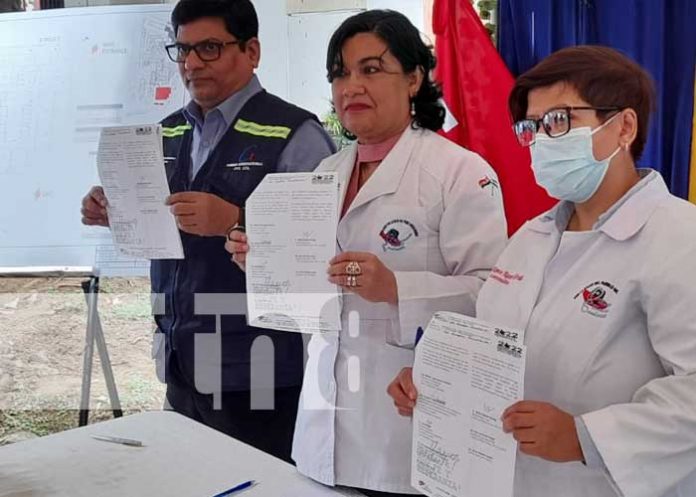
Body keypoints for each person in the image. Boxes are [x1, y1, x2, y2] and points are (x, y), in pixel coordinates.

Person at [388, 46, 696, 496]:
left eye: (560, 120)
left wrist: (586, 437)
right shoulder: (531, 238)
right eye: (532, 127)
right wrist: (436, 376)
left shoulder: (677, 237)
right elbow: (493, 341)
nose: (543, 141)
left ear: (623, 127)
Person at [226, 10, 507, 496]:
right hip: (322, 424)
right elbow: (314, 296)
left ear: (415, 78)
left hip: (404, 429)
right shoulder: (324, 174)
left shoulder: (459, 172)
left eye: (371, 69)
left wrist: (397, 288)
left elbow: (494, 296)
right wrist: (266, 264)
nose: (351, 86)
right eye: (340, 73)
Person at [80, 0, 335, 463]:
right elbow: (155, 229)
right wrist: (113, 208)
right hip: (181, 361)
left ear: (252, 51)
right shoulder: (165, 133)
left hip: (261, 371)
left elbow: (324, 248)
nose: (192, 63)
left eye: (210, 48)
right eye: (183, 50)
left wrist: (236, 219)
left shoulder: (295, 135)